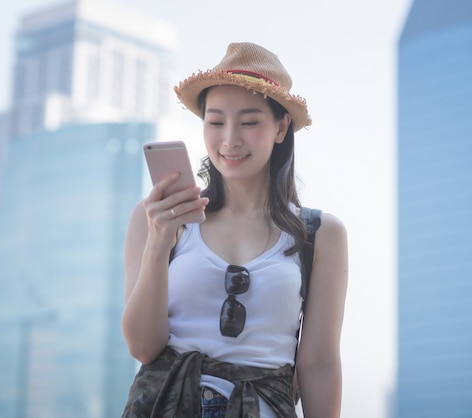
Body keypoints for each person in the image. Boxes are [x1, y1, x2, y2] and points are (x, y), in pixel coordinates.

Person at [121, 42, 348, 418]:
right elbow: (144, 347)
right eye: (215, 122)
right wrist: (159, 244)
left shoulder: (320, 233)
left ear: (280, 127)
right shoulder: (157, 217)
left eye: (249, 122)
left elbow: (320, 364)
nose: (230, 139)